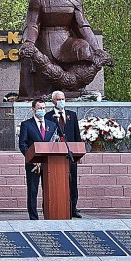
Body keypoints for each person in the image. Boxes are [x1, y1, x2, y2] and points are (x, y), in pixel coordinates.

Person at [19, 0, 112, 98]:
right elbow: (32, 23)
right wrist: (29, 42)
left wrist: (97, 48)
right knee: (44, 69)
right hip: (46, 37)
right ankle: (48, 91)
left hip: (66, 39)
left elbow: (82, 25)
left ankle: (75, 87)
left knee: (83, 47)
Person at [45, 90, 83, 218]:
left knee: (72, 181)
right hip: (55, 154)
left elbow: (77, 135)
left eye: (63, 99)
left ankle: (73, 207)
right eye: (58, 99)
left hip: (70, 153)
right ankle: (54, 206)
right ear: (53, 101)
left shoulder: (71, 115)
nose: (61, 101)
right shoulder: (48, 116)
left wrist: (79, 153)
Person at [18, 98, 56, 220]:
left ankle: (48, 214)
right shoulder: (27, 124)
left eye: (44, 108)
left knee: (48, 191)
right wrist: (32, 158)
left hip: (48, 163)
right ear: (34, 109)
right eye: (39, 108)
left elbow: (54, 143)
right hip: (33, 164)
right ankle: (33, 217)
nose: (42, 110)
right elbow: (23, 144)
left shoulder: (52, 124)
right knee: (33, 191)